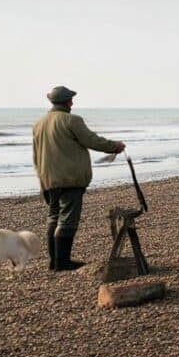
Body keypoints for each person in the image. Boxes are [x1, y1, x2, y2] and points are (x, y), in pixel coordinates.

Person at [31, 86, 125, 271]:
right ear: (66, 102)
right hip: (70, 179)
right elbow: (91, 140)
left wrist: (42, 178)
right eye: (71, 100)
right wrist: (114, 146)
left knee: (53, 218)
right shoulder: (72, 120)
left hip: (48, 180)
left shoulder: (39, 124)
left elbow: (36, 155)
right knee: (67, 220)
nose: (72, 103)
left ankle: (54, 261)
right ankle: (63, 262)